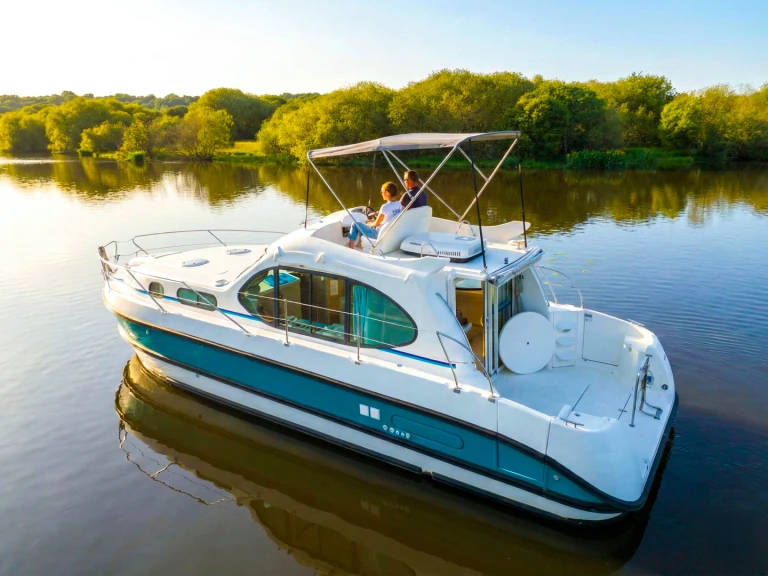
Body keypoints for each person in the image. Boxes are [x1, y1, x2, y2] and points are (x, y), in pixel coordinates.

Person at [347, 182, 402, 248]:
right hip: (389, 233)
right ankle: (359, 245)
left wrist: (369, 224)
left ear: (387, 193)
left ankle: (350, 246)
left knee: (355, 224)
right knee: (365, 226)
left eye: (382, 192)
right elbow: (389, 217)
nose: (381, 194)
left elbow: (376, 224)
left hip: (378, 234)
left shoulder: (385, 207)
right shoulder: (399, 204)